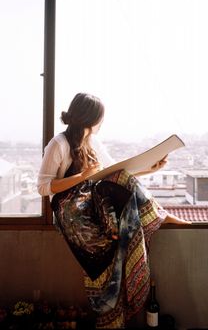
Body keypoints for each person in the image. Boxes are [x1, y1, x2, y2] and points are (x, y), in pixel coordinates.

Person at [37, 92, 191, 329]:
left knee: (120, 182)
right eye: (100, 118)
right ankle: (110, 317)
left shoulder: (94, 143)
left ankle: (158, 215)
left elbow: (114, 174)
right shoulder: (58, 144)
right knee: (105, 256)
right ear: (91, 118)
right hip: (70, 209)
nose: (101, 123)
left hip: (92, 199)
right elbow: (44, 187)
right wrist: (82, 176)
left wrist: (151, 169)